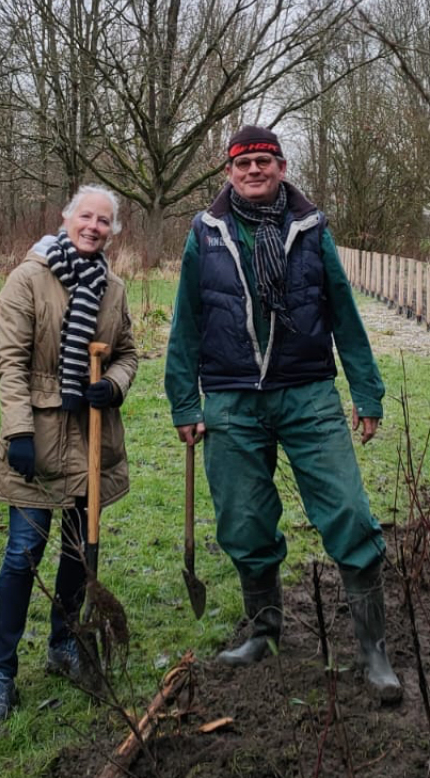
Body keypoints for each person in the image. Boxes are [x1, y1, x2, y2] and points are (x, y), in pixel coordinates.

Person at [163, 125, 402, 704]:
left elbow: (343, 310)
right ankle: (265, 632)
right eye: (243, 164)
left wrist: (366, 393)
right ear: (228, 172)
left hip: (308, 394)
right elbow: (187, 322)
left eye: (265, 162)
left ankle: (373, 649)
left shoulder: (312, 229)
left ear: (282, 167)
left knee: (347, 510)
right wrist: (184, 401)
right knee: (243, 520)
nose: (254, 171)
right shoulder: (207, 233)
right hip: (230, 398)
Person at [0, 185, 138, 727]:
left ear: (113, 232)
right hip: (40, 440)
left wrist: (112, 384)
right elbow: (10, 361)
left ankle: (64, 643)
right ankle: (0, 674)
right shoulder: (29, 278)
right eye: (86, 216)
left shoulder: (113, 288)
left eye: (104, 221)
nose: (94, 227)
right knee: (23, 553)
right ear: (67, 219)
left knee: (78, 549)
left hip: (90, 438)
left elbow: (129, 352)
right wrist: (18, 431)